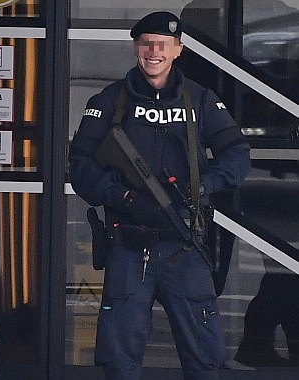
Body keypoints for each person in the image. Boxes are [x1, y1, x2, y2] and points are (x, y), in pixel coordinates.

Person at [69, 11, 251, 380]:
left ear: (178, 50)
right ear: (137, 47)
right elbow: (80, 165)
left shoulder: (199, 100)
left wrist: (202, 187)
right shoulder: (110, 101)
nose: (154, 51)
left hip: (183, 245)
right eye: (147, 43)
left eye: (163, 45)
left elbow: (236, 155)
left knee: (204, 360)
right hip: (128, 245)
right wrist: (121, 196)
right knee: (120, 362)